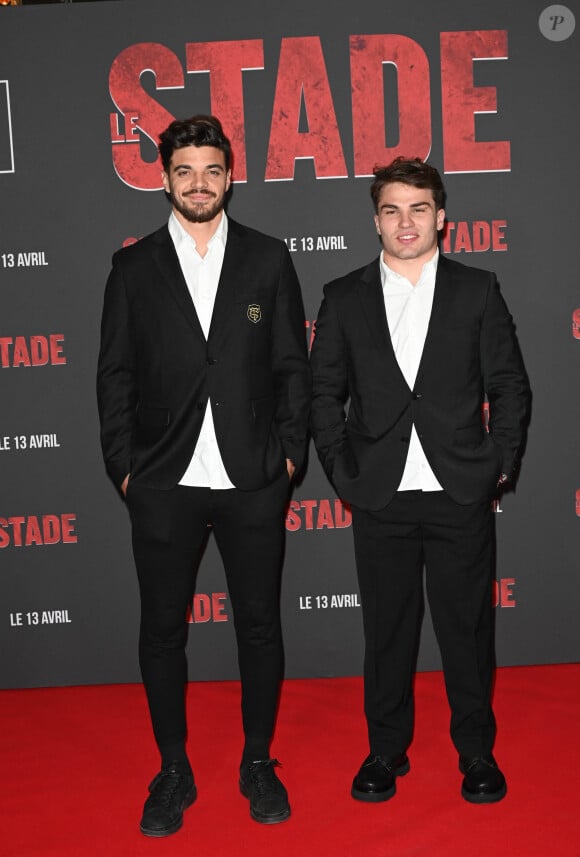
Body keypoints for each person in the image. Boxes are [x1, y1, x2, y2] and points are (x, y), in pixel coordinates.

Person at [97, 115, 310, 836]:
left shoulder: (268, 259)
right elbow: (115, 376)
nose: (198, 182)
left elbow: (291, 368)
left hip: (254, 476)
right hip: (163, 479)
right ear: (164, 177)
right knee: (162, 629)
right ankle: (173, 768)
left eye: (211, 170)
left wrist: (287, 456)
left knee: (259, 624)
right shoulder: (132, 268)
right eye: (184, 170)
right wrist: (125, 468)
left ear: (229, 176)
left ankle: (257, 760)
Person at [310, 157, 530, 805]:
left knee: (466, 628)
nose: (405, 222)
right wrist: (342, 470)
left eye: (418, 208)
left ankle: (476, 751)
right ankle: (385, 750)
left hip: (460, 488)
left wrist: (499, 463)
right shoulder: (342, 297)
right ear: (375, 219)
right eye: (391, 210)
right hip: (379, 492)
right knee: (387, 629)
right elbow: (324, 394)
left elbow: (510, 387)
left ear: (441, 217)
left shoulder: (477, 289)